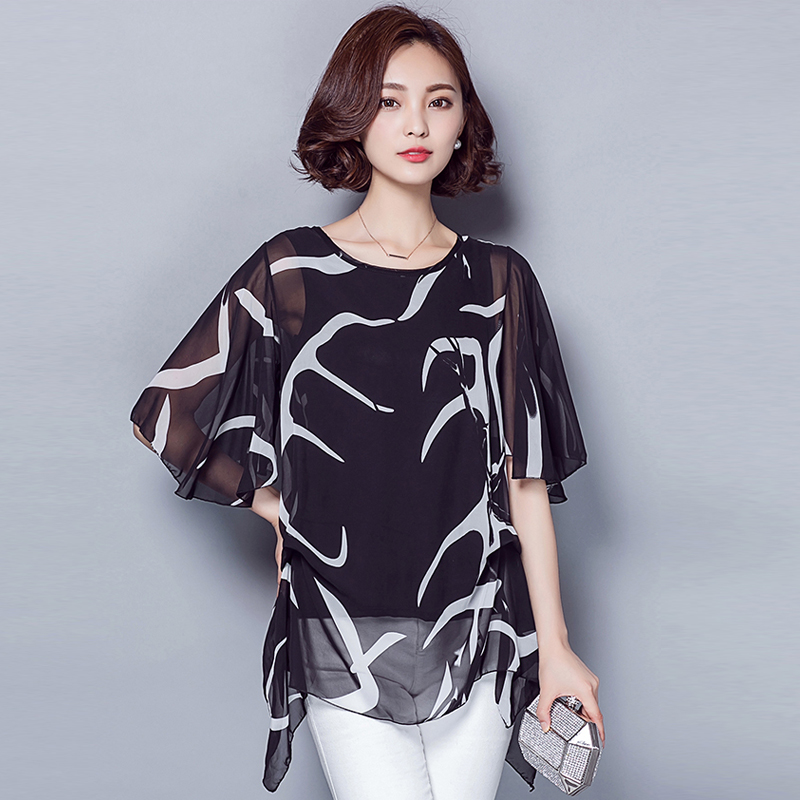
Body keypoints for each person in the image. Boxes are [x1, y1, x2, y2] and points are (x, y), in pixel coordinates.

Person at [130, 4, 604, 798]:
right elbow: (170, 415)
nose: (416, 122)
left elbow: (527, 484)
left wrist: (554, 648)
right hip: (339, 631)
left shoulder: (500, 283)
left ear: (462, 122)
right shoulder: (290, 273)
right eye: (390, 100)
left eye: (439, 101)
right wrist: (277, 510)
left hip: (482, 628)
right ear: (354, 114)